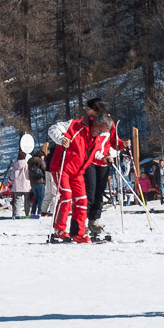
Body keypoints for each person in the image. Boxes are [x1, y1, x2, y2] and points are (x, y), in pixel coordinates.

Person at [48, 100, 105, 242]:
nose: (99, 133)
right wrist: (61, 139)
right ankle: (59, 229)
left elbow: (93, 156)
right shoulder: (76, 126)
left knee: (82, 200)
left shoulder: (96, 140)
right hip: (62, 168)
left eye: (102, 132)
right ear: (94, 124)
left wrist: (106, 158)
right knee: (66, 196)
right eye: (98, 129)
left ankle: (78, 232)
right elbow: (52, 129)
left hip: (77, 172)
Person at [6, 149, 30, 219]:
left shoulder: (15, 165)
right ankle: (27, 213)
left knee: (17, 200)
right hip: (26, 185)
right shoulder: (26, 165)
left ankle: (16, 214)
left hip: (17, 185)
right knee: (27, 200)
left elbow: (12, 176)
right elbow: (28, 175)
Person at [27, 147, 48, 218]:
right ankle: (39, 212)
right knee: (41, 197)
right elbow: (45, 169)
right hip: (40, 181)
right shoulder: (40, 161)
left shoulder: (30, 161)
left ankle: (32, 212)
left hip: (32, 182)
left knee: (36, 198)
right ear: (41, 155)